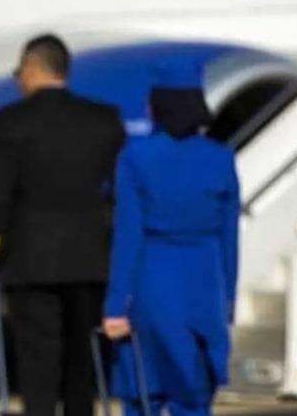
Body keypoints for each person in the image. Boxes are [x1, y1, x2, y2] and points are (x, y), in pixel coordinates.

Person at [0, 34, 125, 416]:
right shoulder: (103, 120)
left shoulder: (9, 123)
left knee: (37, 369)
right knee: (82, 368)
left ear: (31, 69)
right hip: (89, 264)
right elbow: (118, 197)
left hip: (31, 267)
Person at [102, 62, 240, 416]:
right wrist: (228, 301)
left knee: (143, 392)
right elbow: (230, 238)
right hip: (206, 282)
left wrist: (115, 305)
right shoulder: (221, 158)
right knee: (194, 396)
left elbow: (128, 235)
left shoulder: (135, 157)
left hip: (153, 279)